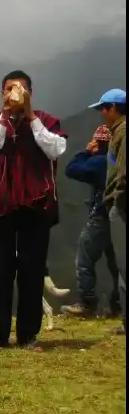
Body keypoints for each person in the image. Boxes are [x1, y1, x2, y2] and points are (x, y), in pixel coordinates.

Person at [0, 71, 68, 351]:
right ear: (1, 93)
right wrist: (4, 118)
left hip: (36, 205)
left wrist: (30, 116)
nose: (14, 93)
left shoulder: (46, 121)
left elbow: (56, 149)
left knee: (32, 270)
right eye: (9, 89)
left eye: (20, 88)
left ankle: (28, 334)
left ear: (31, 92)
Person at [61, 125, 122, 318]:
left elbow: (71, 169)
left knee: (84, 258)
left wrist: (86, 151)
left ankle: (87, 303)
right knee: (117, 263)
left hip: (100, 217)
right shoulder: (118, 161)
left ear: (99, 143)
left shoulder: (98, 162)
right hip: (118, 215)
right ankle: (118, 306)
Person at [94, 89, 126, 335]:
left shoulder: (123, 133)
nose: (102, 114)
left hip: (122, 205)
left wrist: (116, 197)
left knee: (124, 262)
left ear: (113, 108)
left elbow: (122, 173)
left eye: (103, 108)